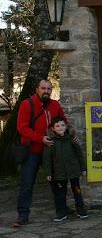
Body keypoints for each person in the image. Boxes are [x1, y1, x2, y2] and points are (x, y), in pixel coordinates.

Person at [12, 79, 68, 227]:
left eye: (49, 89)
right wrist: (40, 138)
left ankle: (62, 210)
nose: (46, 91)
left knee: (58, 182)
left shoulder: (55, 104)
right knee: (27, 184)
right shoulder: (27, 104)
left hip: (51, 151)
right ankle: (23, 216)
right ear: (37, 89)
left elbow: (63, 121)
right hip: (32, 151)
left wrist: (70, 133)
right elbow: (22, 128)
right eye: (43, 88)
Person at [42, 117, 88, 221]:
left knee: (77, 191)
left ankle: (80, 210)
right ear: (53, 129)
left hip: (73, 170)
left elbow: (79, 154)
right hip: (59, 173)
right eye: (57, 126)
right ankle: (61, 213)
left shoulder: (72, 139)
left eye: (62, 125)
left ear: (66, 126)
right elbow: (47, 159)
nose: (60, 128)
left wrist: (83, 168)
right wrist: (48, 173)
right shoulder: (50, 142)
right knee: (60, 194)